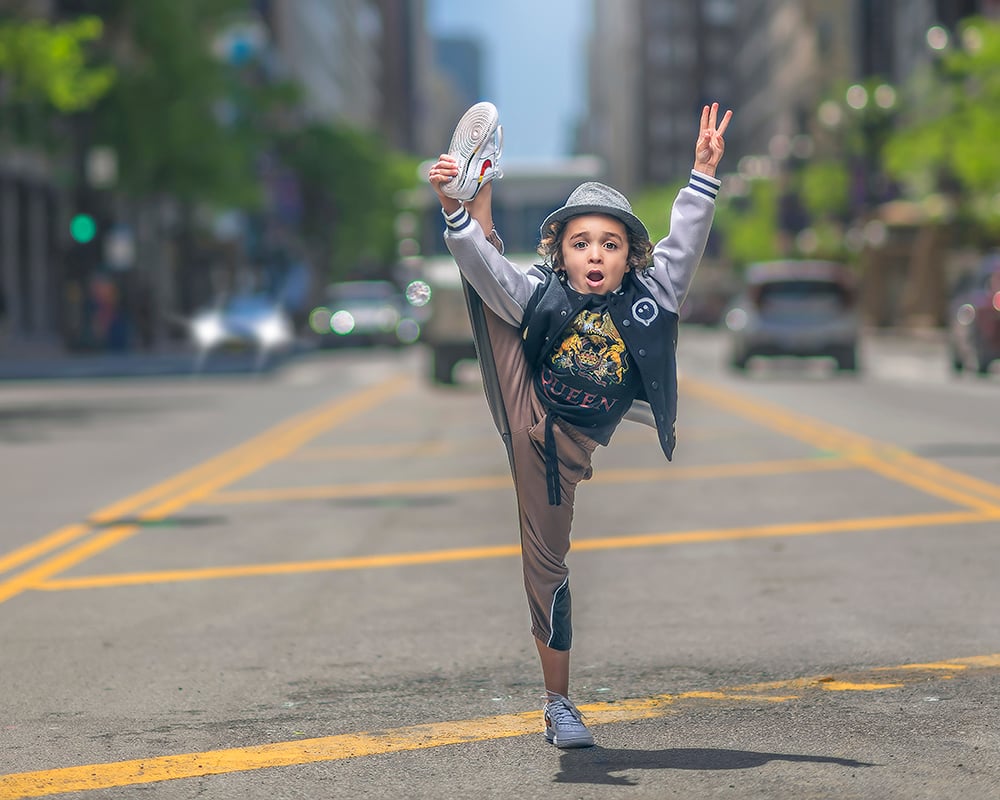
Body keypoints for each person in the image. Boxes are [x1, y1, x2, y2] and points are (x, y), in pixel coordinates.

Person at [427, 100, 731, 748]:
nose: (596, 254)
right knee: (493, 293)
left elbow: (686, 244)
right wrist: (455, 216)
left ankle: (474, 194)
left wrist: (702, 176)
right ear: (561, 254)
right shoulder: (544, 290)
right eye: (582, 243)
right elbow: (492, 277)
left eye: (611, 244)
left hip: (568, 451)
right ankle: (558, 704)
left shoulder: (653, 298)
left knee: (553, 567)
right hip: (529, 411)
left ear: (630, 256)